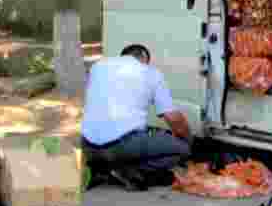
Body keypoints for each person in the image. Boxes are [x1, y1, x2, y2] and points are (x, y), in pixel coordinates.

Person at [81, 44, 191, 191]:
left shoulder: (97, 67)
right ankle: (128, 170)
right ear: (144, 59)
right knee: (182, 149)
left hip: (87, 145)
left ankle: (100, 167)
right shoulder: (150, 73)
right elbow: (173, 118)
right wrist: (188, 139)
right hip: (122, 146)